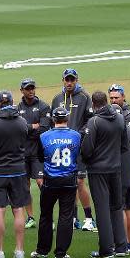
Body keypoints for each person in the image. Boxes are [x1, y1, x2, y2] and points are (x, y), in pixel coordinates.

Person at [0, 90, 30, 258]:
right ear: (12, 102)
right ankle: (19, 251)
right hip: (18, 169)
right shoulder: (22, 122)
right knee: (18, 210)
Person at [81, 91, 128, 258]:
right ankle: (122, 247)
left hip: (98, 170)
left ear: (93, 104)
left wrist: (89, 159)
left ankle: (106, 250)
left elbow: (87, 149)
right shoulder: (120, 118)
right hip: (115, 168)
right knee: (116, 207)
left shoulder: (94, 122)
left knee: (102, 209)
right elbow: (124, 145)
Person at [31, 107, 80, 258]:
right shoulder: (76, 136)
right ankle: (61, 253)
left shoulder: (44, 136)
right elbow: (78, 154)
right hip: (69, 180)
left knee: (46, 215)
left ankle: (43, 250)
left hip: (50, 180)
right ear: (67, 119)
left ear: (53, 119)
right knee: (66, 216)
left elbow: (40, 157)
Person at [51, 68, 96, 232]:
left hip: (79, 146)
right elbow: (52, 121)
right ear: (63, 80)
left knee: (79, 182)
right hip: (62, 149)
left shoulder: (84, 97)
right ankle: (74, 217)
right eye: (67, 80)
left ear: (76, 80)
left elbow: (90, 121)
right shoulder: (57, 98)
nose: (69, 83)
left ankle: (89, 218)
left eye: (72, 80)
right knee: (67, 183)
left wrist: (78, 134)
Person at [17, 77, 52, 229]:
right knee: (24, 186)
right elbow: (18, 130)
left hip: (38, 150)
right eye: (27, 88)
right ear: (22, 91)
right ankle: (30, 217)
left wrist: (27, 128)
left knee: (40, 182)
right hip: (23, 151)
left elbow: (44, 129)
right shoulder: (18, 108)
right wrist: (33, 126)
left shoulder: (43, 106)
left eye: (32, 88)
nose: (31, 91)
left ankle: (48, 216)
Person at [109, 85, 130, 252]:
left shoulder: (127, 120)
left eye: (116, 97)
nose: (114, 100)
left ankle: (121, 243)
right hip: (128, 172)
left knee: (118, 208)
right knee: (128, 207)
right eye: (111, 98)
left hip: (119, 172)